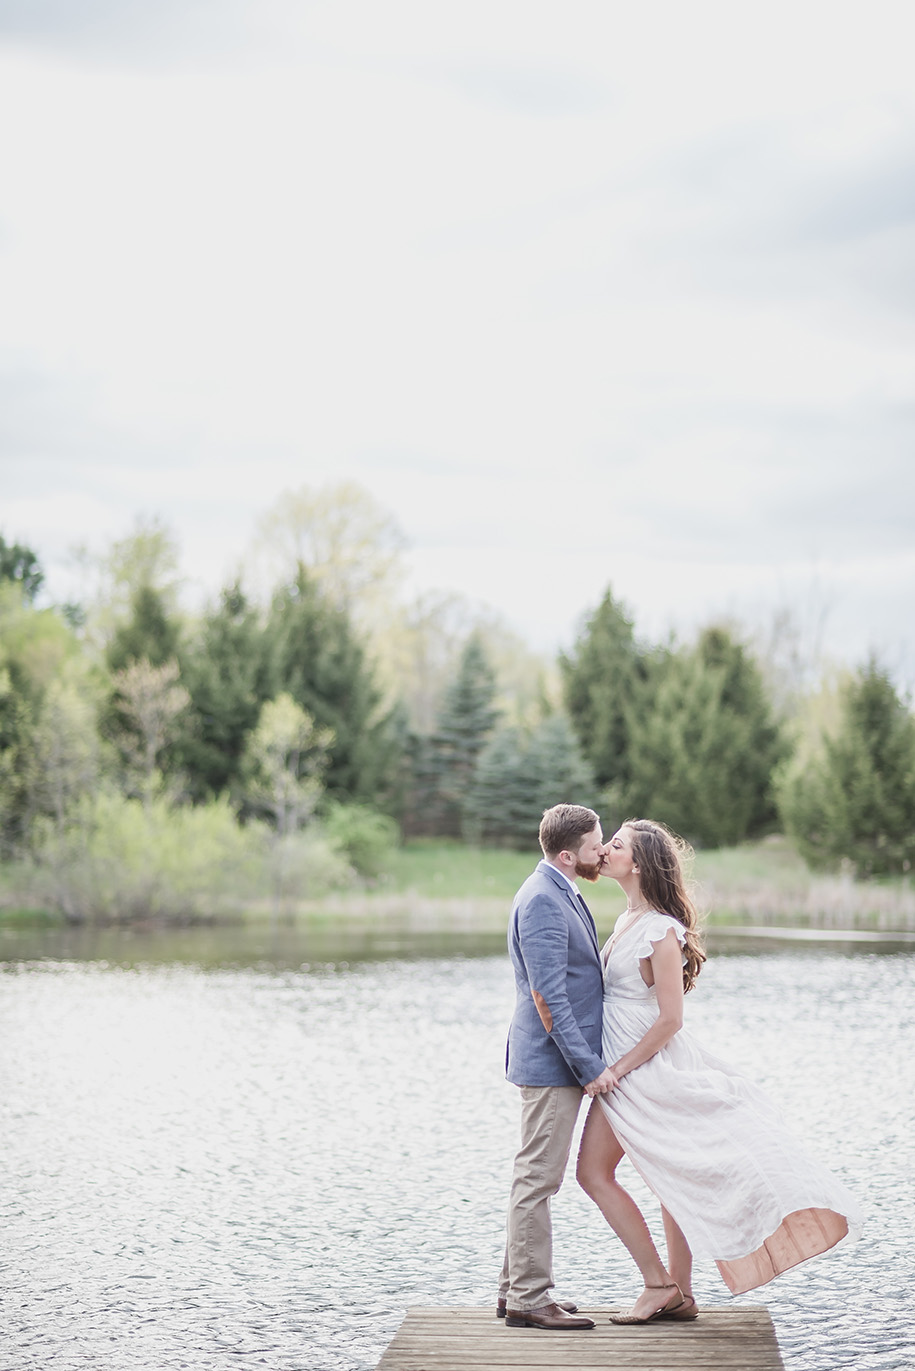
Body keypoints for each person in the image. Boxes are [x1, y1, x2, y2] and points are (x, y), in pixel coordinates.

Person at [576, 818, 863, 1323]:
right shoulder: (627, 921)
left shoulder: (660, 931)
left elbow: (670, 1019)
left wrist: (616, 1068)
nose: (603, 851)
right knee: (658, 1178)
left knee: (594, 1173)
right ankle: (678, 1293)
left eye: (614, 845)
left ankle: (659, 1284)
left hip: (645, 1071)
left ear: (638, 863)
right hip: (626, 1070)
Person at [498, 804, 616, 1331]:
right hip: (551, 1063)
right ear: (568, 854)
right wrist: (587, 1065)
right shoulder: (544, 899)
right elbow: (549, 997)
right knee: (538, 1179)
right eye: (595, 846)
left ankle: (514, 1291)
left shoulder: (557, 888)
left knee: (534, 1176)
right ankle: (529, 1298)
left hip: (551, 1061)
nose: (602, 852)